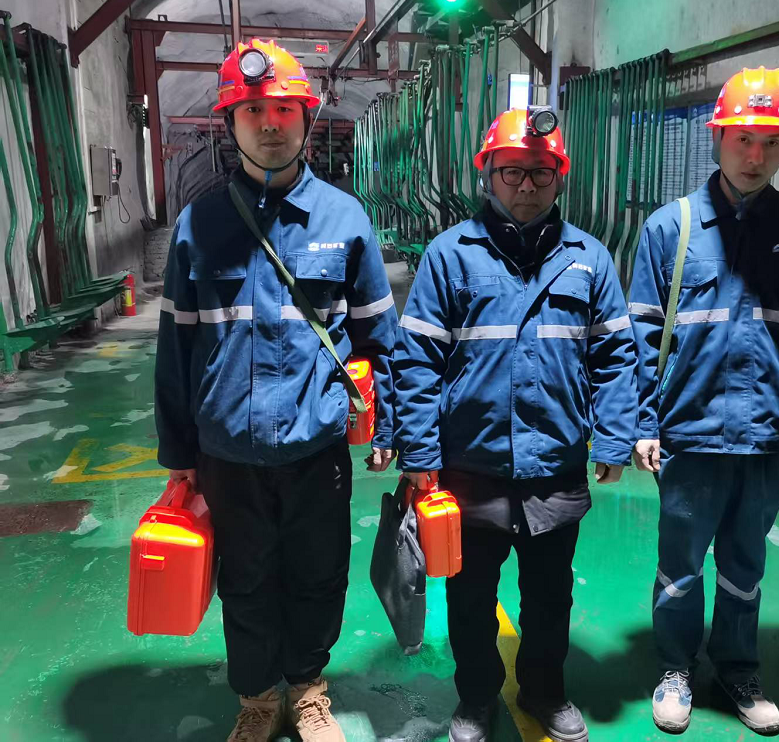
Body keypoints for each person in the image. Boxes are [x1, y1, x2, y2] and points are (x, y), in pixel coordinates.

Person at [154, 38, 397, 742]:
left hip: (317, 447)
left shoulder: (345, 219)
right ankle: (258, 697)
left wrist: (390, 431)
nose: (270, 124)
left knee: (319, 574)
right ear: (231, 121)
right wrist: (179, 453)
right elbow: (176, 349)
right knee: (245, 579)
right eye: (253, 110)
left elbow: (381, 341)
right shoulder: (199, 225)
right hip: (227, 449)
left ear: (306, 118)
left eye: (285, 109)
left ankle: (309, 689)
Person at [628, 67, 779, 736]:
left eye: (771, 141)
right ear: (718, 138)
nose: (755, 156)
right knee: (680, 564)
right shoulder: (670, 229)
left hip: (765, 437)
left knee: (744, 565)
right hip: (690, 434)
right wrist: (643, 421)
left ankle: (736, 666)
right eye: (743, 139)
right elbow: (640, 336)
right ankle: (675, 667)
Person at [392, 107, 639, 742]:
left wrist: (614, 437)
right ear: (488, 174)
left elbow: (616, 356)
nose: (525, 184)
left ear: (559, 176)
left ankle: (544, 690)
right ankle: (476, 697)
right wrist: (419, 451)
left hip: (555, 463)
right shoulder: (450, 255)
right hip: (468, 468)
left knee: (550, 597)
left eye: (539, 172)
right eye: (511, 171)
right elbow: (415, 361)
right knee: (470, 597)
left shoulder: (588, 259)